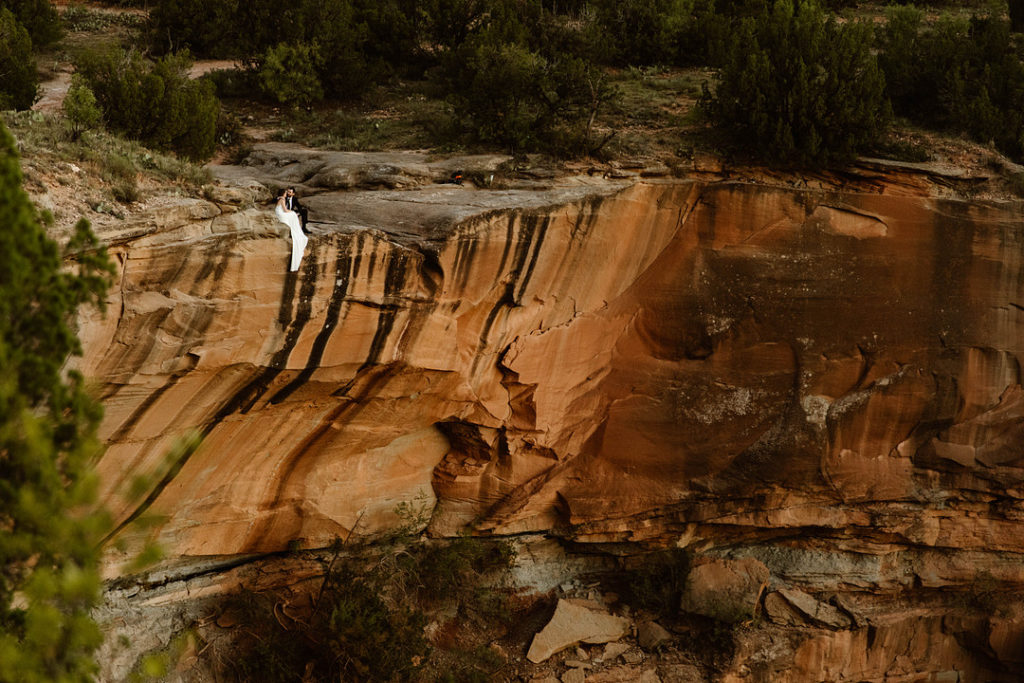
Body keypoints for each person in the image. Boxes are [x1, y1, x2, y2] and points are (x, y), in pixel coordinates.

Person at [275, 188, 307, 271]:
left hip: (278, 213)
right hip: (281, 214)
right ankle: (297, 230)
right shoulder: (282, 199)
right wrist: (292, 212)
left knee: (293, 214)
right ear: (283, 194)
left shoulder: (280, 198)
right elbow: (285, 210)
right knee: (293, 215)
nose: (287, 194)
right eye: (286, 193)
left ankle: (299, 228)